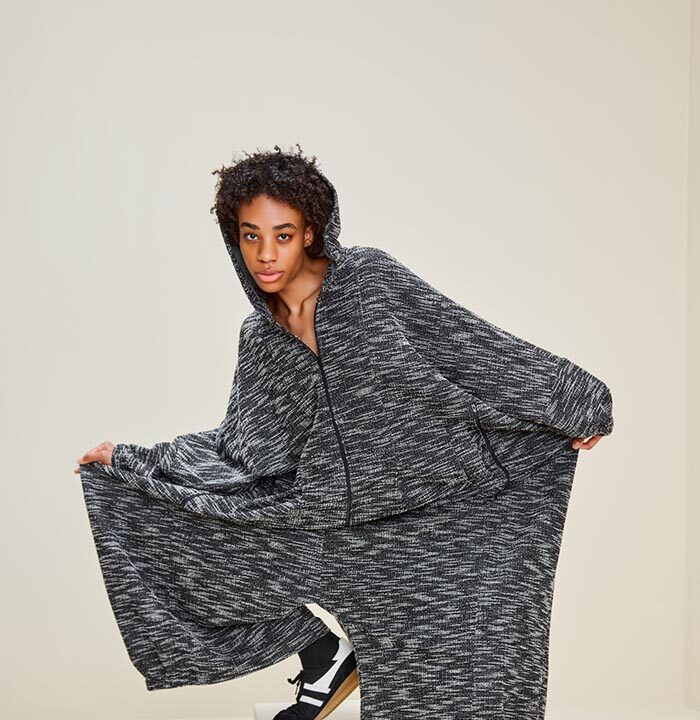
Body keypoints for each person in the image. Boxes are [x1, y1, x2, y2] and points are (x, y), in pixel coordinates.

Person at [76, 144, 613, 720]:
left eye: (282, 235)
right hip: (333, 526)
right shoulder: (260, 339)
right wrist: (136, 461)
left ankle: (334, 667)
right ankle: (321, 653)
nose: (265, 253)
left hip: (445, 511)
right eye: (251, 235)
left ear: (310, 232)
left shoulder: (368, 281)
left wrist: (579, 402)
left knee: (456, 686)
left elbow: (472, 348)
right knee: (160, 528)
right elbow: (243, 451)